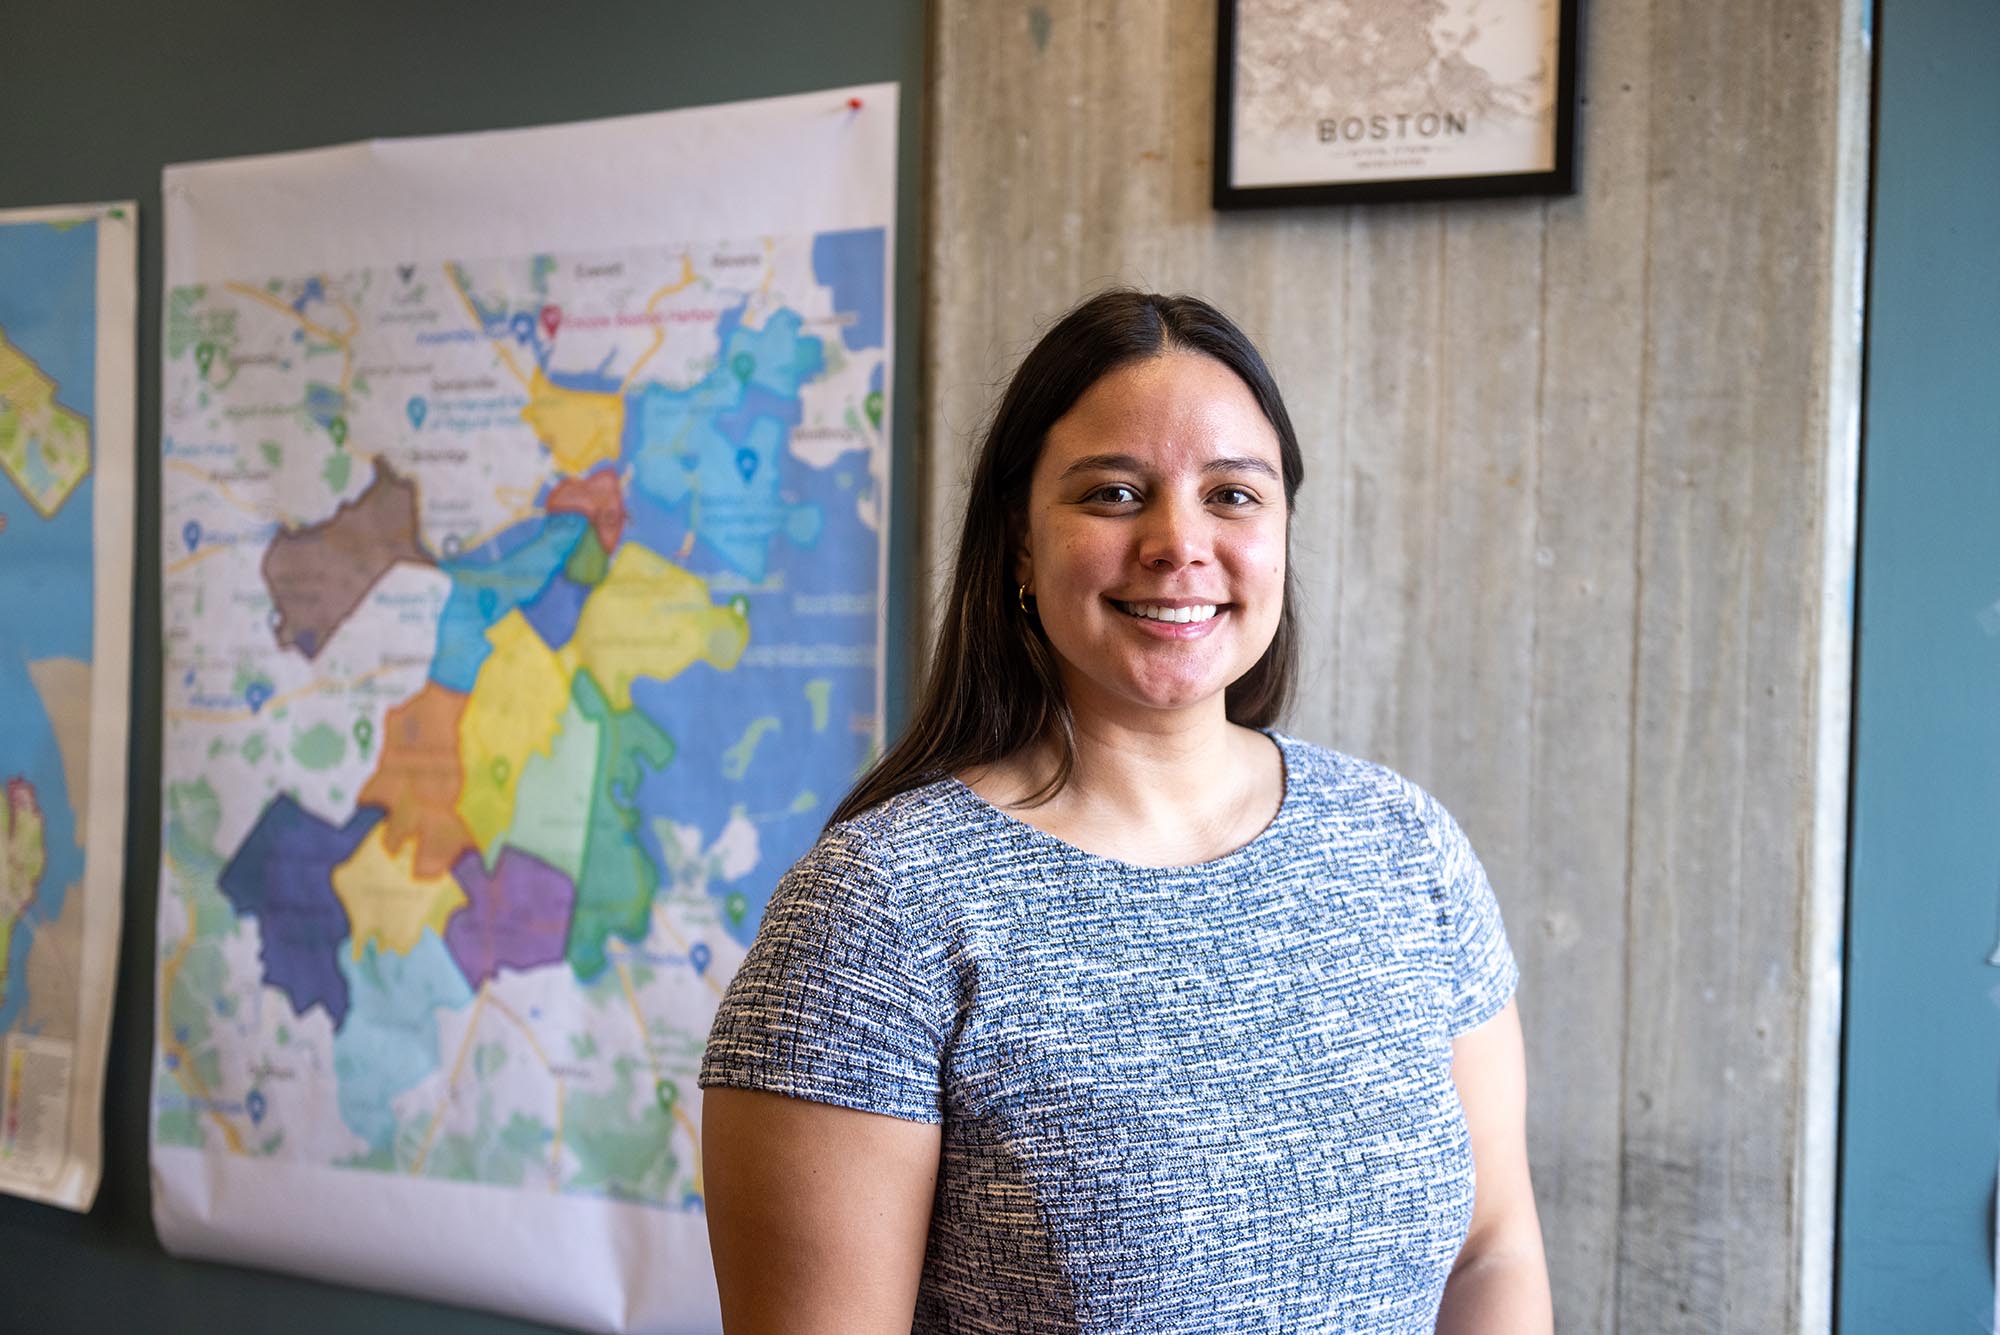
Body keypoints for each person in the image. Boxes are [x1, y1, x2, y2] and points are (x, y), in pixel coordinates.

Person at [698, 290, 1551, 1333]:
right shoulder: (877, 909)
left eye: (1232, 495)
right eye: (1112, 493)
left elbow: (1489, 1253)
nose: (1176, 542)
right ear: (1016, 544)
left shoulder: (1400, 845)